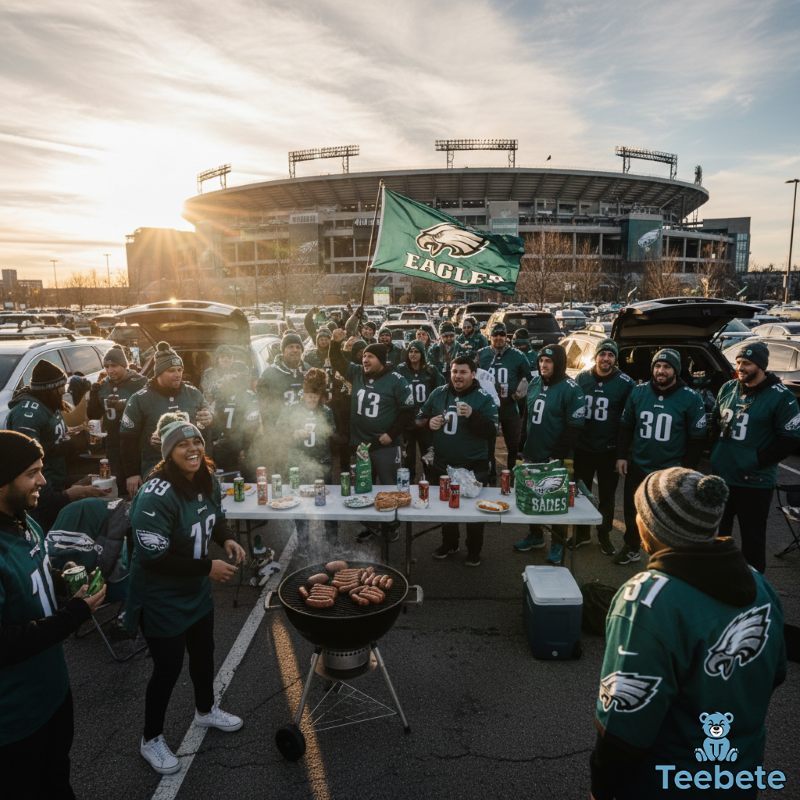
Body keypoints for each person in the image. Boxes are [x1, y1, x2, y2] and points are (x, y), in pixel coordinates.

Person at [591, 467, 787, 800]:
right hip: (740, 772)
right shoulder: (759, 583)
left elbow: (624, 724)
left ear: (648, 528)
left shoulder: (647, 601)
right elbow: (775, 673)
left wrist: (602, 787)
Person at [125, 413, 246, 775]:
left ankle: (206, 710)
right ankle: (151, 739)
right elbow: (155, 556)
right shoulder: (155, 493)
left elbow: (215, 516)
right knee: (167, 668)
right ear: (168, 451)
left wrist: (226, 538)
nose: (192, 448)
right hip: (161, 596)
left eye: (196, 441)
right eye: (182, 444)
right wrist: (208, 567)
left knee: (204, 655)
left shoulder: (205, 477)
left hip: (194, 591)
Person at [0, 430, 107, 799]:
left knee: (59, 780)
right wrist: (75, 612)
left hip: (53, 690)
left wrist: (66, 582)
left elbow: (37, 573)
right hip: (14, 719)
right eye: (32, 473)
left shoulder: (24, 519)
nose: (43, 481)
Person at [711, 341, 800, 573]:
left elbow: (790, 438)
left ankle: (755, 589)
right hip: (722, 477)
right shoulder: (728, 388)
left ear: (761, 366)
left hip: (755, 482)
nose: (741, 367)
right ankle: (718, 576)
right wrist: (716, 455)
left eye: (747, 363)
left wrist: (754, 460)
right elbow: (714, 422)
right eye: (739, 362)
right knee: (718, 534)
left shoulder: (781, 397)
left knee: (752, 539)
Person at [614, 348, 706, 565]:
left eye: (666, 366)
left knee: (669, 515)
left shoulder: (690, 398)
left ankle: (669, 555)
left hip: (669, 468)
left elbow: (697, 439)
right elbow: (626, 427)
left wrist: (686, 469)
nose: (661, 371)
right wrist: (621, 456)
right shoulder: (638, 392)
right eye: (657, 366)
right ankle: (631, 546)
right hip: (639, 462)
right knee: (632, 509)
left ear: (676, 370)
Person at [329, 328, 414, 541]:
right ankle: (373, 524)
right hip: (361, 445)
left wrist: (391, 433)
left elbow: (408, 411)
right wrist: (334, 342)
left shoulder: (396, 379)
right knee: (365, 487)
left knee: (388, 486)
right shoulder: (357, 373)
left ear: (382, 360)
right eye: (364, 356)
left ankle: (391, 526)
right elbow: (337, 361)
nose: (365, 360)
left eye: (370, 356)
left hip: (385, 444)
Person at [7, 360, 108, 529]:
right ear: (49, 390)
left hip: (55, 477)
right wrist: (72, 444)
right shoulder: (28, 413)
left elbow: (51, 435)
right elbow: (27, 456)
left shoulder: (49, 405)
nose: (64, 391)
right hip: (40, 488)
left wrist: (73, 432)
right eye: (59, 389)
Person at [417, 356, 498, 566]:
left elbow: (492, 431)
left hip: (473, 466)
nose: (457, 376)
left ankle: (474, 550)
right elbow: (418, 419)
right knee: (446, 508)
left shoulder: (483, 398)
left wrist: (473, 415)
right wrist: (428, 423)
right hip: (444, 464)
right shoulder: (438, 393)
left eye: (463, 372)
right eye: (454, 372)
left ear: (473, 374)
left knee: (473, 511)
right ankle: (450, 543)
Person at [513, 343, 585, 564]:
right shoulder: (535, 382)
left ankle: (557, 542)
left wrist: (558, 454)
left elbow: (575, 427)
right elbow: (526, 416)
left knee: (555, 501)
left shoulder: (571, 389)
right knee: (533, 496)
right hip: (532, 451)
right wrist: (521, 445)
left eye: (549, 361)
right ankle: (535, 536)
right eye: (541, 361)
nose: (543, 365)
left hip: (555, 455)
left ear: (559, 363)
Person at [120, 341, 212, 497]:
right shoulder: (139, 399)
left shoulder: (193, 393)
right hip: (156, 467)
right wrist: (132, 473)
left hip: (191, 465)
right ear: (159, 373)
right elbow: (127, 439)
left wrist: (210, 419)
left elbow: (206, 431)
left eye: (179, 369)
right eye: (171, 370)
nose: (177, 374)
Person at [568, 339, 634, 555]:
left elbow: (628, 422)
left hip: (609, 449)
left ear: (615, 358)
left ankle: (604, 534)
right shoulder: (582, 378)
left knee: (607, 495)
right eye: (602, 354)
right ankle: (582, 534)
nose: (606, 359)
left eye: (610, 355)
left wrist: (622, 452)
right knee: (581, 493)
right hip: (584, 447)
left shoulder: (625, 383)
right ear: (595, 356)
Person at [276, 369, 338, 556]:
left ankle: (333, 540)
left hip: (322, 462)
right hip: (298, 463)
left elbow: (332, 431)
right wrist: (294, 433)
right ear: (303, 394)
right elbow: (279, 431)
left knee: (327, 503)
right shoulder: (292, 409)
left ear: (320, 396)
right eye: (308, 396)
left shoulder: (326, 411)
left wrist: (323, 431)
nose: (311, 400)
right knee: (300, 502)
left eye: (315, 396)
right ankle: (304, 543)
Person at [86, 346, 147, 495]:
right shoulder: (103, 385)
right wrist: (93, 395)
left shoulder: (139, 382)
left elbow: (149, 410)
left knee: (138, 483)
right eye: (106, 366)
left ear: (124, 365)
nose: (110, 370)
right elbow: (93, 414)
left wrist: (125, 405)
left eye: (114, 366)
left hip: (135, 441)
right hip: (113, 442)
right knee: (117, 484)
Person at [477, 322, 531, 476]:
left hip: (509, 405)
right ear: (490, 336)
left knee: (513, 444)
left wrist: (519, 392)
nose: (499, 338)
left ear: (506, 337)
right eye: (495, 334)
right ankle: (490, 474)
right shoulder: (481, 354)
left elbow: (530, 377)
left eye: (502, 334)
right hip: (488, 407)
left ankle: (513, 476)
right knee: (487, 444)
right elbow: (472, 376)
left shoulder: (518, 355)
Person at [396, 341, 445, 481]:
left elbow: (440, 392)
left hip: (425, 421)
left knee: (428, 456)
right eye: (410, 351)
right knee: (408, 457)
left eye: (416, 351)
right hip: (407, 421)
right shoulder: (401, 370)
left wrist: (433, 415)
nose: (413, 354)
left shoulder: (431, 370)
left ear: (422, 353)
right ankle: (408, 485)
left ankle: (430, 483)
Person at [208, 371, 261, 479]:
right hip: (236, 447)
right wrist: (245, 448)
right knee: (243, 481)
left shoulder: (222, 397)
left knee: (228, 480)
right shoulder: (249, 396)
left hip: (225, 445)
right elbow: (252, 426)